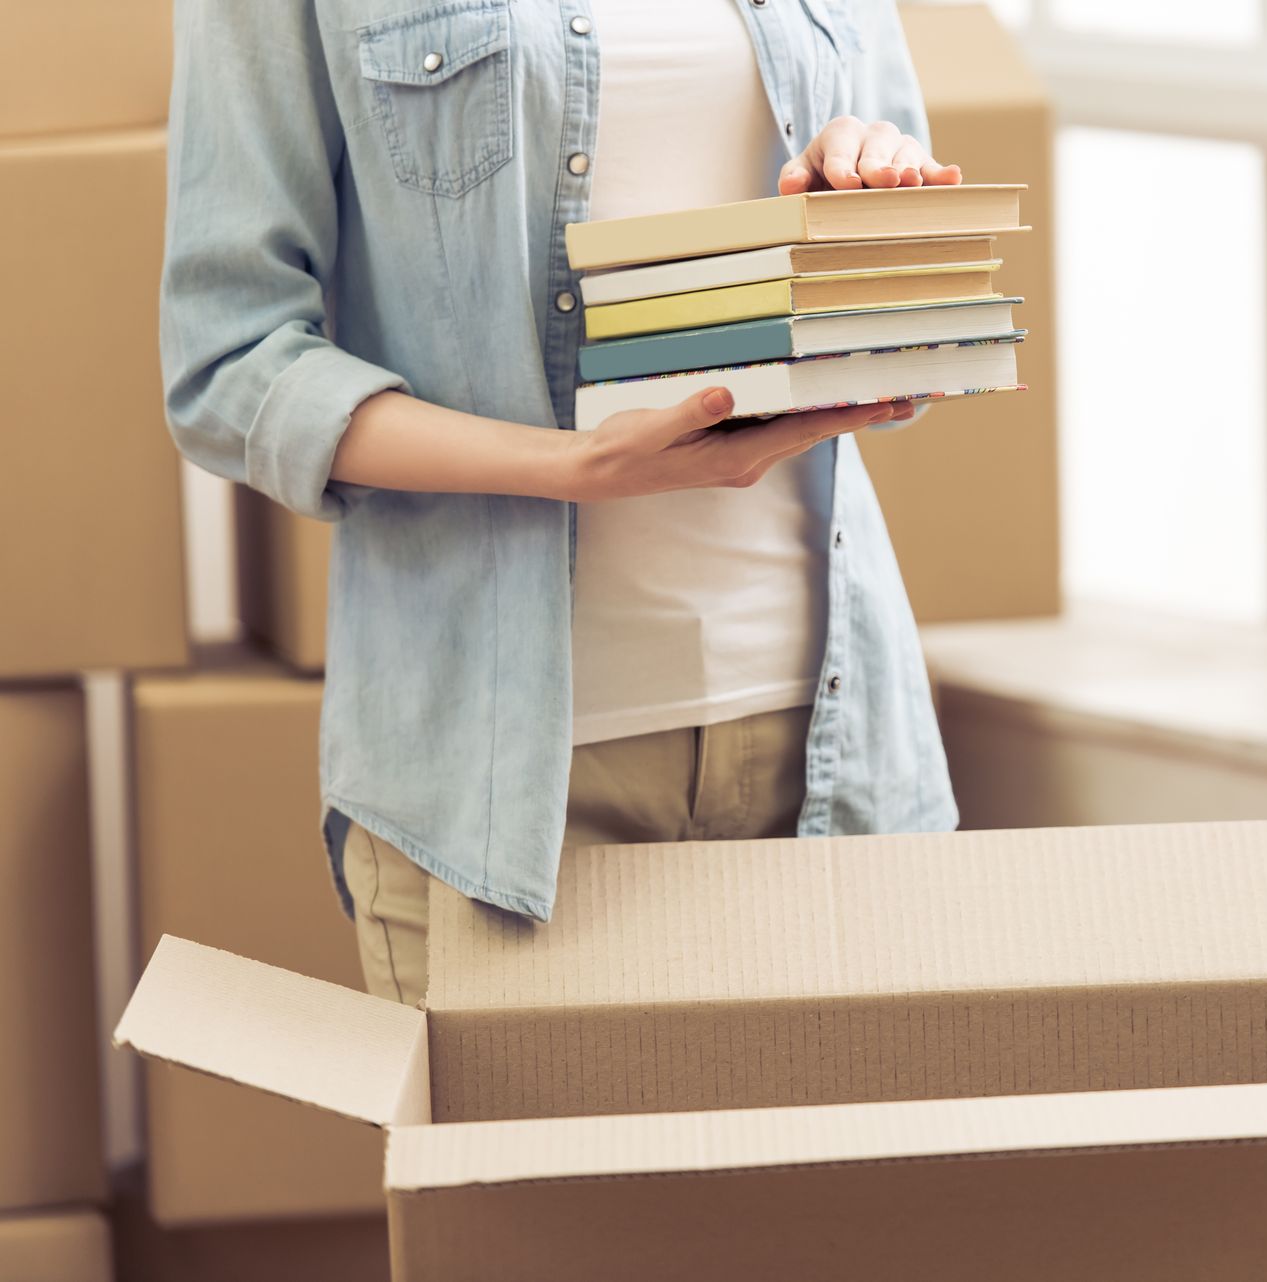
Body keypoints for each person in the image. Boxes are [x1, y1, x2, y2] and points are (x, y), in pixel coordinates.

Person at [160, 0, 962, 1006]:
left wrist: (869, 183)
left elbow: (909, 319)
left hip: (836, 750)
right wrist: (567, 466)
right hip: (502, 791)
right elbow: (227, 363)